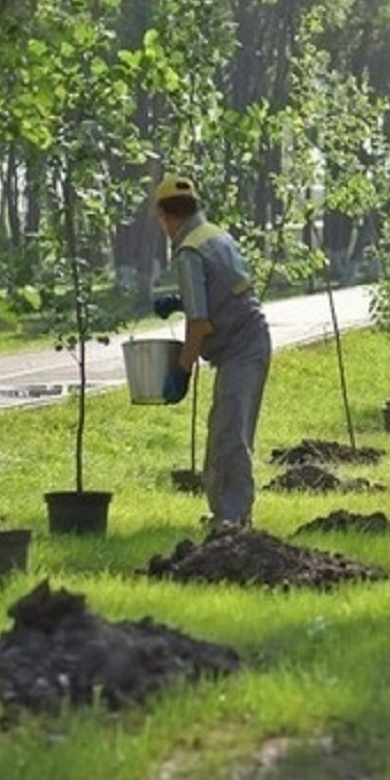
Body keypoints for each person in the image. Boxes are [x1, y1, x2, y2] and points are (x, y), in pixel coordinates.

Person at [152, 175, 272, 532]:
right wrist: (181, 299)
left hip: (241, 349)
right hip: (251, 342)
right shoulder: (215, 235)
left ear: (165, 216)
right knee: (226, 427)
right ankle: (227, 512)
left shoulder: (189, 250)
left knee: (229, 432)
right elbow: (225, 286)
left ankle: (233, 518)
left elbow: (199, 323)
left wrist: (182, 370)